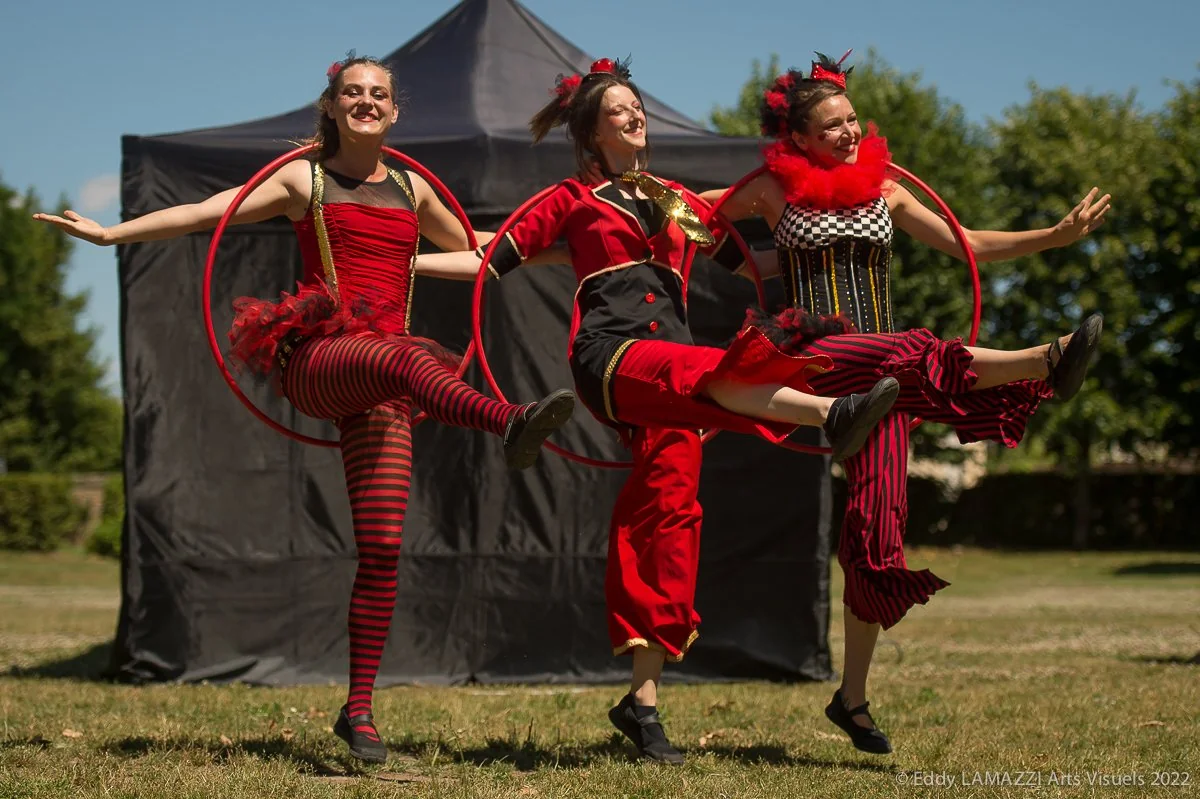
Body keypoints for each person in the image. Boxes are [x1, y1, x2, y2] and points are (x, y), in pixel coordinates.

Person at [34, 54, 577, 764]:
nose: (365, 102)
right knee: (406, 356)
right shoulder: (306, 178)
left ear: (394, 110)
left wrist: (565, 253)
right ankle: (507, 421)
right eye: (352, 92)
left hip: (383, 380)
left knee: (383, 548)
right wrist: (112, 235)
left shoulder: (413, 187)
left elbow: (479, 250)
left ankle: (358, 713)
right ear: (332, 104)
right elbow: (207, 212)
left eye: (377, 94)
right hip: (322, 358)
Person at [415, 57, 902, 764]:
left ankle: (641, 702)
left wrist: (842, 242)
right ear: (591, 130)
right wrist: (409, 263)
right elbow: (491, 256)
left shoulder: (677, 199)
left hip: (677, 380)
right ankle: (830, 415)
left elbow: (757, 262)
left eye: (635, 105)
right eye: (617, 109)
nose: (634, 115)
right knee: (717, 370)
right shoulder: (570, 199)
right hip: (613, 355)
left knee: (669, 517)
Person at [704, 51, 1109, 755]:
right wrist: (752, 263)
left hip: (884, 382)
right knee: (912, 347)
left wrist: (1055, 235)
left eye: (852, 120)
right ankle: (1044, 362)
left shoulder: (886, 189)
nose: (848, 133)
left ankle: (851, 699)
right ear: (797, 139)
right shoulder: (770, 188)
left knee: (876, 531)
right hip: (818, 356)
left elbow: (969, 243)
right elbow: (701, 227)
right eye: (831, 127)